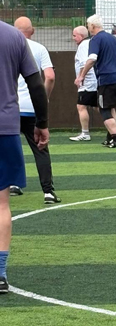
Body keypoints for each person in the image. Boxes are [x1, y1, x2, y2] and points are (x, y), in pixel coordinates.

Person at [0, 19, 50, 293]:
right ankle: (0, 273)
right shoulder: (14, 37)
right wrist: (42, 123)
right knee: (1, 204)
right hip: (6, 129)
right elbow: (36, 84)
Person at [10, 17, 60, 204]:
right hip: (32, 108)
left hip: (10, 107)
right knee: (40, 148)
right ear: (32, 31)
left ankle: (13, 184)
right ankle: (48, 192)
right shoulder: (39, 48)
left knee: (11, 147)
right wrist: (43, 99)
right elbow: (50, 76)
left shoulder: (7, 46)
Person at [75, 14, 116, 148]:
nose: (88, 28)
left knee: (104, 109)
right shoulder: (113, 38)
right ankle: (110, 137)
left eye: (88, 26)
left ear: (92, 26)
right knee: (110, 107)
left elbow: (92, 59)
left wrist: (81, 76)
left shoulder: (95, 40)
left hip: (106, 79)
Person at [70, 25, 98, 142]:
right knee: (97, 106)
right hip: (95, 81)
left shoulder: (82, 45)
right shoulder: (91, 43)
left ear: (81, 36)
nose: (73, 38)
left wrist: (80, 78)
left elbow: (83, 63)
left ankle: (85, 133)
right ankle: (115, 123)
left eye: (74, 35)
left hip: (87, 82)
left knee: (81, 106)